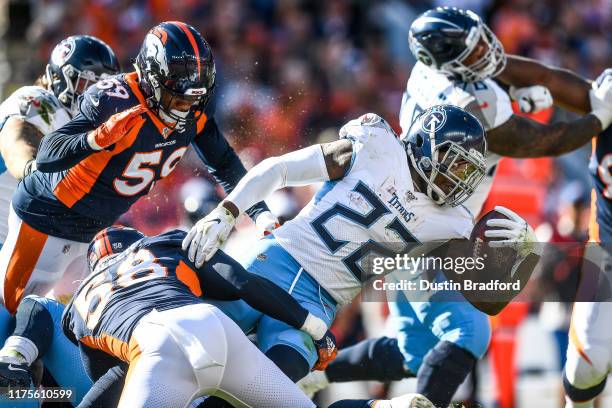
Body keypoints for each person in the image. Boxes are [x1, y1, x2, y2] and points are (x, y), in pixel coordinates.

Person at [298, 8, 612, 407]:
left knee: (412, 353)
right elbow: (542, 142)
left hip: (405, 215)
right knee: (470, 333)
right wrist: (599, 118)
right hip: (427, 227)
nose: (486, 52)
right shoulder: (475, 100)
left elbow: (525, 76)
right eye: (473, 50)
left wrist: (514, 94)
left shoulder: (427, 72)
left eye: (482, 41)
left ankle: (311, 375)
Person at [182, 104, 539, 399]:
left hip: (318, 308)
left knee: (255, 394)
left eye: (467, 171)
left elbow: (483, 300)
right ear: (427, 143)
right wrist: (226, 212)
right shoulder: (376, 145)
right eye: (454, 162)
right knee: (190, 351)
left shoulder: (451, 222)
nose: (458, 178)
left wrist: (517, 261)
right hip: (271, 264)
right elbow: (281, 170)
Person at [0, 21, 278, 317]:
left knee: (73, 322)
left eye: (194, 98)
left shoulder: (195, 110)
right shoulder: (112, 99)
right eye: (178, 97)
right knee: (9, 311)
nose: (186, 107)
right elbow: (43, 154)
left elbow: (224, 164)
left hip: (91, 228)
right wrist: (95, 139)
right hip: (47, 216)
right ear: (151, 79)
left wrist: (260, 213)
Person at [0, 224, 336, 406]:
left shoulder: (78, 307)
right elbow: (242, 283)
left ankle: (14, 355)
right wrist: (315, 329)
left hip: (155, 353)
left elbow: (110, 377)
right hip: (214, 326)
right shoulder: (167, 244)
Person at [0, 34, 120, 353]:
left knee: (61, 328)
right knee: (7, 320)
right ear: (60, 75)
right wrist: (32, 173)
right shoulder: (39, 101)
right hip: (10, 235)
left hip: (49, 239)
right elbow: (16, 137)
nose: (95, 95)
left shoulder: (91, 128)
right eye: (88, 84)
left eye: (103, 88)